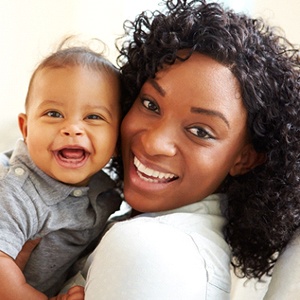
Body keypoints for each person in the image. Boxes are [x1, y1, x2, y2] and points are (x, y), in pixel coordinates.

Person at [81, 0, 300, 299]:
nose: (154, 142)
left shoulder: (148, 247)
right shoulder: (180, 239)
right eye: (150, 104)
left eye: (200, 131)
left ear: (245, 158)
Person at [0, 39, 123, 300]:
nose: (72, 128)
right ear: (25, 129)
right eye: (54, 114)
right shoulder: (14, 190)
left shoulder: (107, 191)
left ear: (116, 141)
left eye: (93, 117)